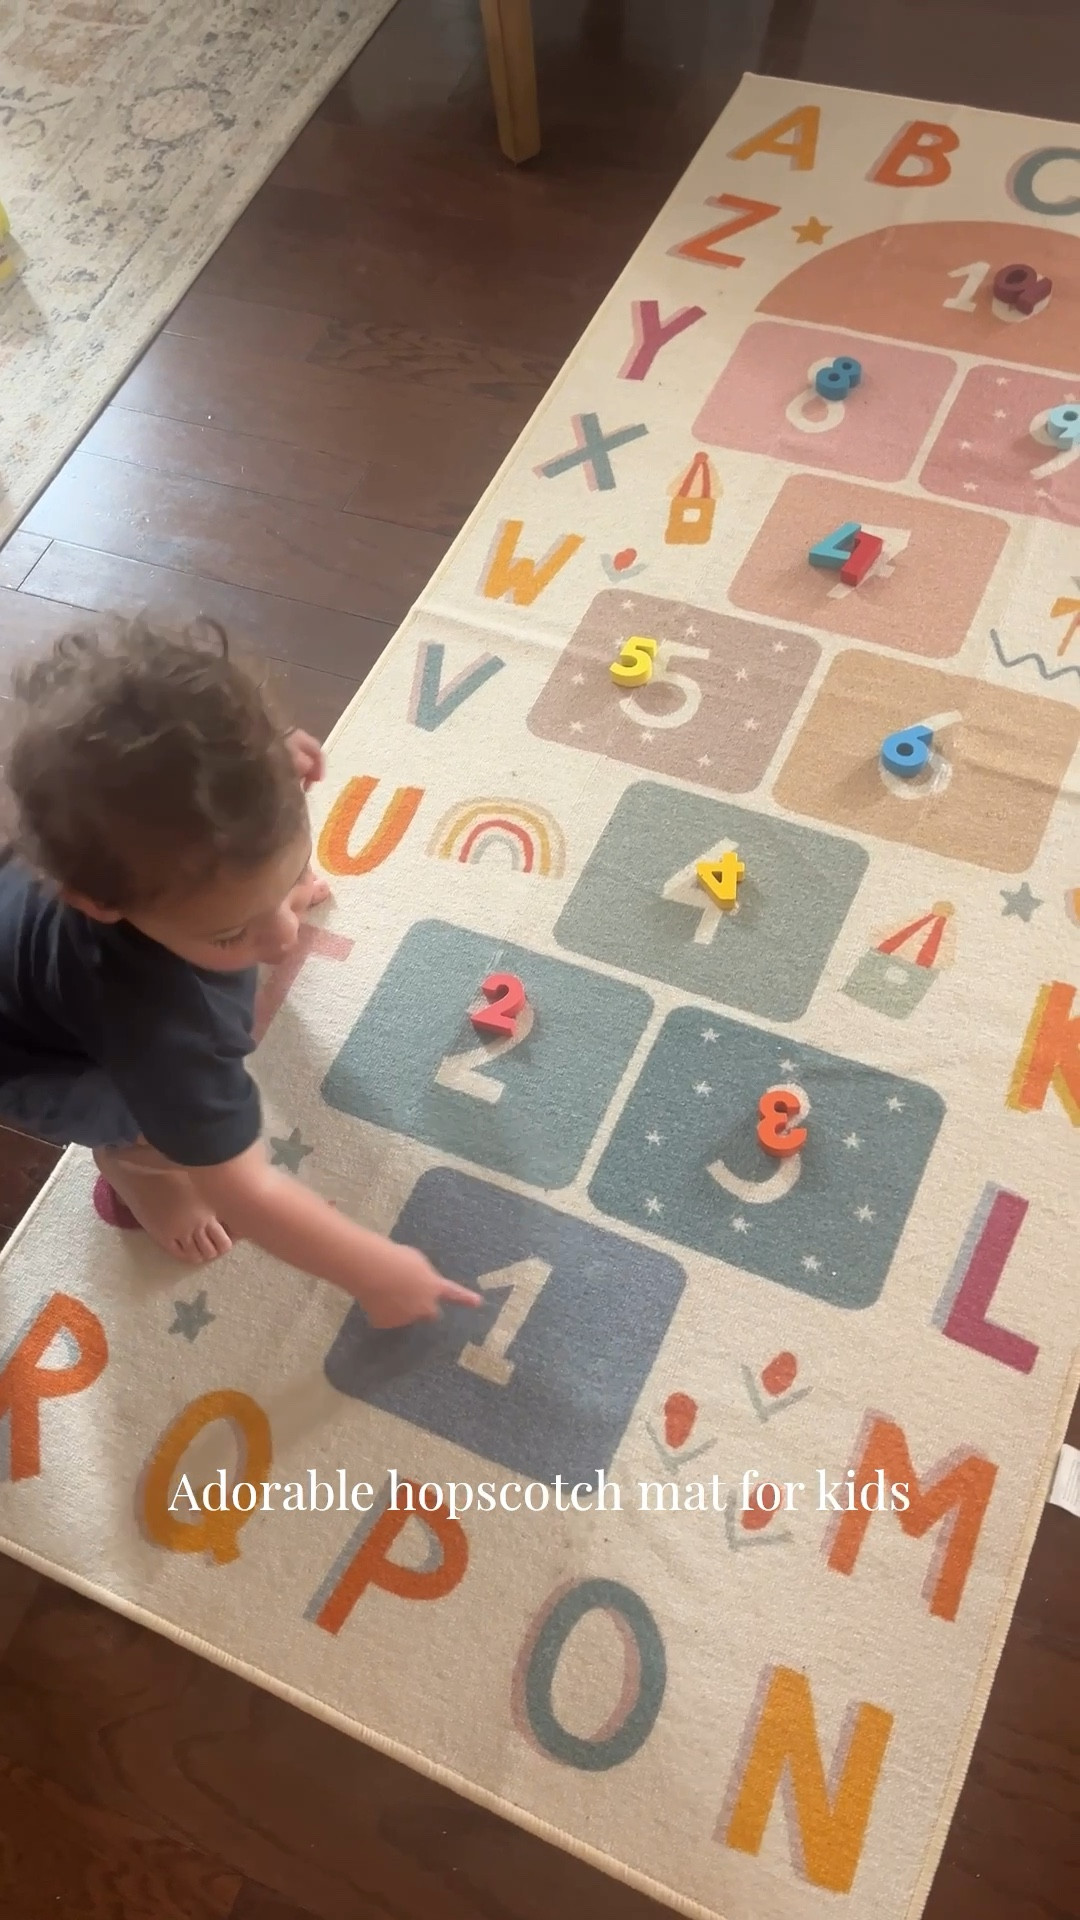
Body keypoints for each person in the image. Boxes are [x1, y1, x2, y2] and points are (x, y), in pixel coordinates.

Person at [0, 616, 478, 1330]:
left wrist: (271, 766)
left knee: (242, 881)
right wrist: (373, 1268)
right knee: (153, 1125)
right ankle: (139, 1169)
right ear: (102, 906)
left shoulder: (217, 798)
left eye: (285, 878)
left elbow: (215, 766)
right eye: (233, 929)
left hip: (29, 922)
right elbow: (246, 1190)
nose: (287, 939)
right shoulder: (161, 1024)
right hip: (37, 1055)